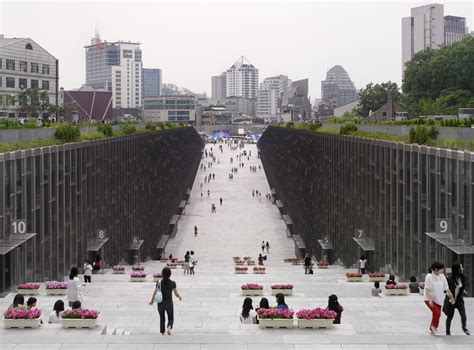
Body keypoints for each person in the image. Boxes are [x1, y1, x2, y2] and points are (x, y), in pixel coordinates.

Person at [150, 267, 182, 335]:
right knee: (170, 317)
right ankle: (169, 327)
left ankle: (162, 332)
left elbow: (155, 292)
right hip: (169, 304)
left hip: (160, 303)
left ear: (162, 274)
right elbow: (176, 293)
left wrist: (152, 300)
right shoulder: (172, 283)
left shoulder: (159, 282)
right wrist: (179, 297)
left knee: (162, 318)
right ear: (170, 274)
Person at [424, 261, 454, 335]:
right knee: (436, 313)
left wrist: (451, 296)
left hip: (439, 298)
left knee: (438, 314)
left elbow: (446, 288)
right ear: (436, 269)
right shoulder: (429, 276)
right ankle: (433, 327)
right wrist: (430, 300)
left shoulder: (442, 276)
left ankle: (433, 329)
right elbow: (427, 289)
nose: (442, 270)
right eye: (441, 269)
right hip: (429, 299)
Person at [444, 262, 470, 335]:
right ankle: (448, 332)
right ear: (457, 269)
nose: (462, 268)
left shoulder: (462, 277)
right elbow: (445, 290)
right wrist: (450, 297)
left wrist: (463, 291)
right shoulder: (449, 279)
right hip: (451, 300)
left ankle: (464, 328)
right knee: (450, 316)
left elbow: (461, 287)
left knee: (463, 314)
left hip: (459, 300)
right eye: (461, 267)